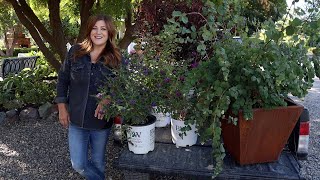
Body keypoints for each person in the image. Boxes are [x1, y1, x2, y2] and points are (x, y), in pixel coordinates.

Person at [55, 15, 121, 180]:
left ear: (109, 33)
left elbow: (122, 88)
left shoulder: (116, 59)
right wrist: (62, 108)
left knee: (98, 163)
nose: (98, 32)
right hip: (76, 120)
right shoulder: (75, 52)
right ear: (89, 30)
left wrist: (109, 98)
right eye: (94, 28)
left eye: (103, 29)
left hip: (101, 122)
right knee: (78, 164)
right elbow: (63, 80)